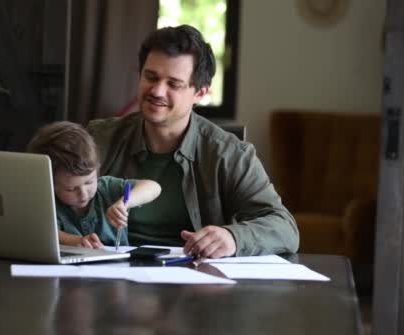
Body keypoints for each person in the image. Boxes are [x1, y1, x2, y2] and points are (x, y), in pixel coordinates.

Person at [87, 25, 299, 258]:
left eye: (174, 84)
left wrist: (233, 237)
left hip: (193, 279)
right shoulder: (100, 138)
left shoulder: (229, 154)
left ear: (200, 93)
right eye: (151, 77)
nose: (157, 91)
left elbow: (284, 227)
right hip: (108, 276)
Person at [27, 121, 161, 248]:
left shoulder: (106, 188)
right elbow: (46, 234)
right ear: (50, 183)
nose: (83, 194)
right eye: (70, 189)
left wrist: (126, 202)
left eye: (89, 182)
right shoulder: (50, 203)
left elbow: (153, 187)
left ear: (97, 169)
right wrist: (78, 241)